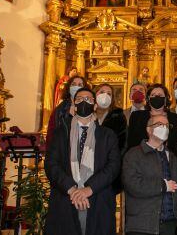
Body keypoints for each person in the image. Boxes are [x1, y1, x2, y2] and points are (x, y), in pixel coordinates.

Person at [44, 87, 121, 235]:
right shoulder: (61, 133)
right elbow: (51, 165)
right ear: (74, 104)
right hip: (66, 198)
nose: (83, 102)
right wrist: (72, 189)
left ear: (95, 105)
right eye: (79, 99)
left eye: (88, 99)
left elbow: (113, 166)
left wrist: (88, 189)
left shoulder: (107, 135)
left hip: (98, 198)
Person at [122, 114, 177, 235]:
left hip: (171, 224)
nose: (165, 128)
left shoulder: (172, 156)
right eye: (160, 125)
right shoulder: (134, 154)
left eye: (167, 126)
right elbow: (132, 184)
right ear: (149, 129)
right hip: (142, 224)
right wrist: (163, 186)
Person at [126, 84, 177, 153]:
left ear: (165, 99)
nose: (156, 97)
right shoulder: (137, 116)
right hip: (141, 158)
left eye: (160, 95)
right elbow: (131, 142)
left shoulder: (175, 118)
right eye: (153, 95)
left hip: (168, 159)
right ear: (148, 99)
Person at [47, 75, 87, 147]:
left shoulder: (90, 108)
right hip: (62, 150)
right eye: (73, 84)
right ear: (69, 88)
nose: (76, 87)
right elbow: (51, 135)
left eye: (80, 85)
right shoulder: (59, 110)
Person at [94, 83, 127, 152]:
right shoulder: (87, 114)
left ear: (112, 99)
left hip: (110, 158)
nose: (105, 95)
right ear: (95, 95)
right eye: (102, 92)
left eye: (109, 94)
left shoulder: (118, 116)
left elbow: (122, 143)